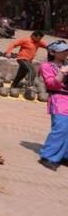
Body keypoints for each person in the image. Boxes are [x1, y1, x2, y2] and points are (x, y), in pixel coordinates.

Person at [37, 40, 68, 170]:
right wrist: (62, 73)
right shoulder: (46, 66)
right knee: (60, 128)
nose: (66, 53)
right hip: (58, 98)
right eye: (63, 51)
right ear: (53, 52)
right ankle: (48, 156)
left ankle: (64, 156)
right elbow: (51, 84)